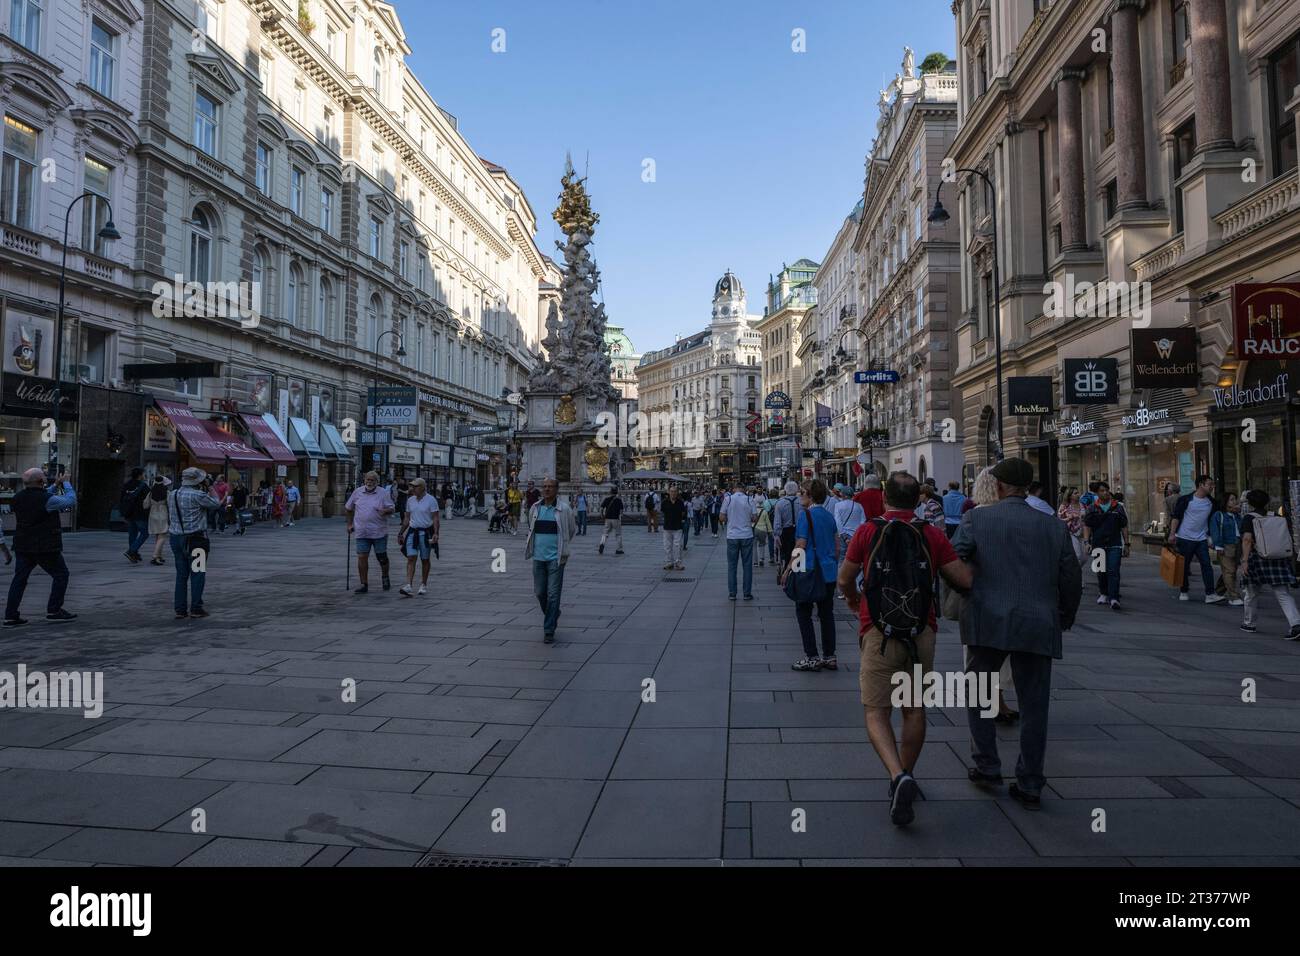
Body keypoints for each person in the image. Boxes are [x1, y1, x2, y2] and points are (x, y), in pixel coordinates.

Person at [838, 472, 972, 826]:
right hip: (920, 631)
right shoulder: (930, 533)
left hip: (877, 631)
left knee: (876, 711)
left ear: (885, 498)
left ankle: (897, 776)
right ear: (918, 500)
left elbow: (844, 577)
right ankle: (907, 774)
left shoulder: (869, 531)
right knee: (913, 709)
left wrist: (854, 601)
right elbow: (963, 578)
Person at [953, 458, 1082, 811]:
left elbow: (953, 562)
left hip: (986, 620)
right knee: (1034, 705)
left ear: (997, 486)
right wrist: (1064, 616)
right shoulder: (1053, 527)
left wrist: (964, 596)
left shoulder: (976, 519)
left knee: (980, 695)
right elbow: (1072, 575)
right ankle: (1029, 781)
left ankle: (987, 765)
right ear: (1026, 488)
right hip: (1038, 622)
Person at [3, 468, 78, 627]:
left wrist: (55, 485)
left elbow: (40, 497)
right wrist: (66, 483)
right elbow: (70, 501)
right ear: (40, 482)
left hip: (23, 545)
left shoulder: (17, 498)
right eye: (44, 478)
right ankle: (54, 610)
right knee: (61, 574)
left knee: (19, 580)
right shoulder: (48, 499)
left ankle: (10, 615)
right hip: (45, 546)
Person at [788, 479, 841, 671]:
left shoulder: (805, 515)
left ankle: (812, 656)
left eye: (802, 492)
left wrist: (789, 568)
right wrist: (831, 563)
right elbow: (836, 546)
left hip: (808, 570)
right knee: (826, 614)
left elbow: (801, 544)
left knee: (803, 612)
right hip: (828, 572)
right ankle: (830, 656)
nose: (799, 495)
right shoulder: (829, 516)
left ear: (810, 495)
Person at [1239, 489, 1300, 639]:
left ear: (1250, 503)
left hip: (1257, 558)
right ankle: (1296, 624)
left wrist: (1244, 561)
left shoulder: (1248, 518)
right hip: (1278, 558)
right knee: (1283, 593)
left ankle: (1249, 623)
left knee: (1251, 592)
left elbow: (1247, 540)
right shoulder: (1276, 516)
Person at [167, 468, 222, 620]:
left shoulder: (173, 494)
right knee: (198, 574)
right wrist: (210, 487)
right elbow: (216, 503)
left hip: (176, 538)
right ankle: (196, 608)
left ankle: (180, 609)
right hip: (196, 540)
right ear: (198, 480)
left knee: (181, 575)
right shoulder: (198, 495)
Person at [525, 477, 575, 644]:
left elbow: (571, 530)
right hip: (538, 558)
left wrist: (563, 548)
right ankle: (553, 613)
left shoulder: (564, 509)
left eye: (550, 487)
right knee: (540, 592)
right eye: (544, 486)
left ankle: (549, 630)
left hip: (556, 558)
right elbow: (531, 528)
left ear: (556, 489)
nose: (546, 489)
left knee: (553, 595)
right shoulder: (535, 508)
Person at [1169, 475, 1225, 604]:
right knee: (1184, 566)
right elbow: (1176, 517)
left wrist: (1211, 537)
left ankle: (1210, 594)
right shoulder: (1186, 500)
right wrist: (1172, 534)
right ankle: (1184, 590)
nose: (1212, 487)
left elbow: (1213, 521)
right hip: (1184, 538)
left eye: (1212, 484)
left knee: (1206, 565)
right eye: (1209, 484)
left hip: (1201, 539)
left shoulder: (1212, 502)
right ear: (1201, 485)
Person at [346, 471, 395, 594]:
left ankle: (385, 576)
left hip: (379, 531)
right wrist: (350, 524)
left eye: (372, 480)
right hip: (362, 531)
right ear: (364, 480)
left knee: (381, 558)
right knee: (362, 557)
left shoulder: (383, 493)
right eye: (367, 479)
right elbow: (348, 508)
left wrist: (385, 511)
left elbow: (392, 508)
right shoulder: (357, 492)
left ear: (377, 482)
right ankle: (364, 584)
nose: (369, 482)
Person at [1082, 482, 1129, 610]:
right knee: (1101, 570)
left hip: (1115, 544)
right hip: (1098, 544)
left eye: (1107, 490)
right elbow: (1087, 526)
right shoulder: (1092, 508)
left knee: (1113, 570)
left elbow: (1124, 526)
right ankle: (1103, 593)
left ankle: (1114, 598)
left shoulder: (1117, 507)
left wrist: (1127, 544)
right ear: (1097, 493)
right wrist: (1086, 543)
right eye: (1102, 491)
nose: (1105, 493)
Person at [398, 478, 440, 597]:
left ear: (422, 487)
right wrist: (401, 533)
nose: (412, 489)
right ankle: (408, 585)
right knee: (411, 557)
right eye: (412, 486)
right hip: (412, 532)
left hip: (425, 533)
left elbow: (436, 518)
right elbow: (407, 518)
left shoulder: (431, 500)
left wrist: (436, 533)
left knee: (425, 559)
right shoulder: (410, 500)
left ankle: (423, 584)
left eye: (415, 487)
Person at [721, 480, 757, 600]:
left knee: (732, 566)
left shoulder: (728, 499)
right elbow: (754, 517)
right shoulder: (749, 499)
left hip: (732, 536)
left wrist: (730, 520)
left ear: (734, 488)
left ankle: (732, 593)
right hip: (746, 535)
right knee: (747, 566)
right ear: (743, 488)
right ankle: (746, 594)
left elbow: (721, 516)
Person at [1210, 493, 1244, 607]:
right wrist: (1218, 546)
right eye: (1231, 500)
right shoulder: (1219, 515)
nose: (1234, 502)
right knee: (1230, 571)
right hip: (1226, 545)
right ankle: (1233, 596)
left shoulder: (1236, 515)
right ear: (1225, 502)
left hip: (1238, 544)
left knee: (1230, 569)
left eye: (1235, 499)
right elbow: (1215, 531)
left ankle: (1219, 591)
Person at [120, 467, 150, 562]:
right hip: (140, 513)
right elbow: (149, 498)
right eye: (143, 474)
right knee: (145, 533)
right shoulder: (143, 485)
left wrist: (123, 512)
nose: (144, 476)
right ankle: (131, 551)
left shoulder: (126, 485)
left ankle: (134, 554)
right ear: (140, 475)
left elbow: (121, 499)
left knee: (132, 533)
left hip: (129, 513)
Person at [831, 483, 866, 562]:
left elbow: (838, 522)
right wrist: (858, 532)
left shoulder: (838, 505)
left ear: (843, 494)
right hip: (856, 535)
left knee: (842, 558)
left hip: (844, 536)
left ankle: (841, 573)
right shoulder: (859, 506)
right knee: (856, 558)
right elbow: (863, 521)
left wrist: (844, 536)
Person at [142, 475, 172, 563]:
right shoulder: (166, 491)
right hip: (163, 513)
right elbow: (170, 504)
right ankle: (155, 556)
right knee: (162, 536)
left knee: (157, 536)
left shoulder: (151, 492)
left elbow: (145, 505)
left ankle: (159, 556)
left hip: (153, 514)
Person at [772, 480, 801, 570]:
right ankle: (798, 575)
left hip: (785, 532)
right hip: (799, 531)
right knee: (798, 555)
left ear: (785, 490)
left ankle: (788, 574)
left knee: (787, 555)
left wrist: (776, 535)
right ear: (796, 490)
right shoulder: (801, 502)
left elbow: (777, 522)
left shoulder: (780, 503)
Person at [661, 485, 688, 570]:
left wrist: (681, 520)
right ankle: (669, 562)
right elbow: (662, 513)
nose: (673, 493)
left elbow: (683, 513)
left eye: (675, 492)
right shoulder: (665, 502)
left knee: (678, 546)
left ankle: (678, 563)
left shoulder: (680, 502)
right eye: (671, 491)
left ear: (677, 493)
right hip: (667, 527)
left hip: (677, 527)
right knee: (667, 546)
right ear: (669, 492)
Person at [1057, 487, 1086, 564]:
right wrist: (1070, 518)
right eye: (1075, 493)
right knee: (1078, 556)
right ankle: (1075, 574)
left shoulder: (1082, 505)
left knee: (1084, 558)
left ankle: (1074, 572)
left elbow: (1085, 518)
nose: (1078, 494)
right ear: (1070, 496)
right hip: (1071, 533)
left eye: (1078, 492)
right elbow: (1059, 521)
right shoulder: (1064, 506)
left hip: (1082, 533)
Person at [598, 486, 625, 556]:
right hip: (616, 519)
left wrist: (601, 515)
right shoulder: (619, 500)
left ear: (610, 492)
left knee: (605, 533)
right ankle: (619, 549)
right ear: (617, 492)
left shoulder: (606, 499)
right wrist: (621, 516)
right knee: (618, 534)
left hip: (607, 519)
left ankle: (602, 543)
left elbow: (601, 508)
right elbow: (621, 511)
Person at [753, 493, 773, 568]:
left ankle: (755, 562)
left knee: (754, 546)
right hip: (763, 530)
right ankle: (761, 559)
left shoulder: (753, 511)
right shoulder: (764, 512)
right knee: (762, 544)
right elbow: (768, 522)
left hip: (754, 529)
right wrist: (770, 531)